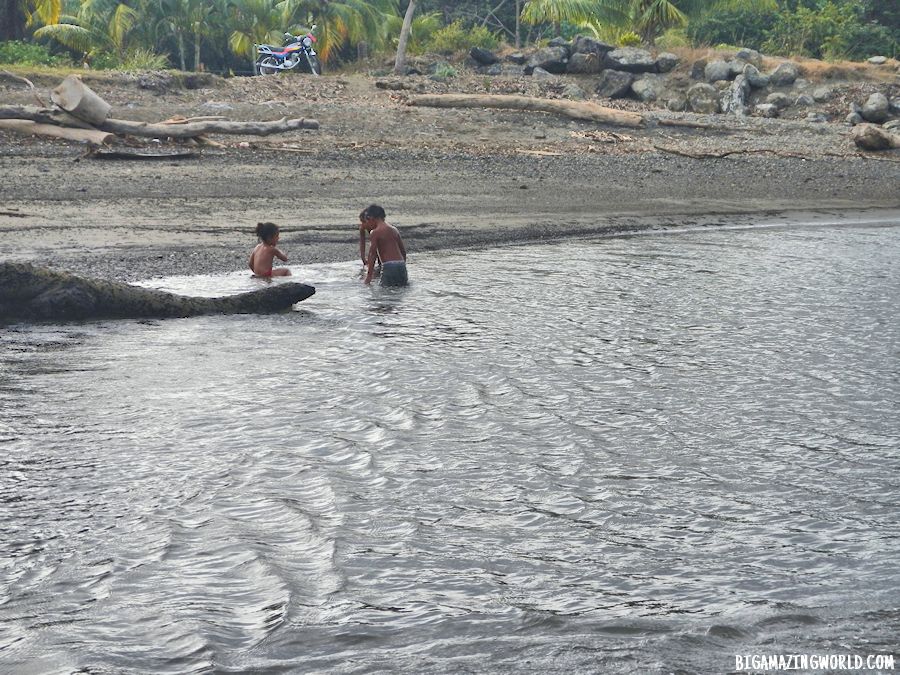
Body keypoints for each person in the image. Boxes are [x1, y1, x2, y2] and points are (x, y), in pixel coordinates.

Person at [362, 204, 407, 286]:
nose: (367, 224)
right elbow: (403, 251)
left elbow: (372, 254)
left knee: (384, 291)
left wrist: (369, 277)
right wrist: (403, 266)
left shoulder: (375, 232)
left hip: (388, 266)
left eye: (367, 220)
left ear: (371, 218)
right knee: (401, 289)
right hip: (401, 264)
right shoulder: (394, 230)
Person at [358, 208, 381, 274]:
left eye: (364, 222)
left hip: (382, 244)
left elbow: (374, 246)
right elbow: (362, 243)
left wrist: (370, 260)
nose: (363, 224)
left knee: (381, 260)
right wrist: (363, 258)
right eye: (361, 222)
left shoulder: (377, 228)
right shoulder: (362, 228)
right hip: (376, 244)